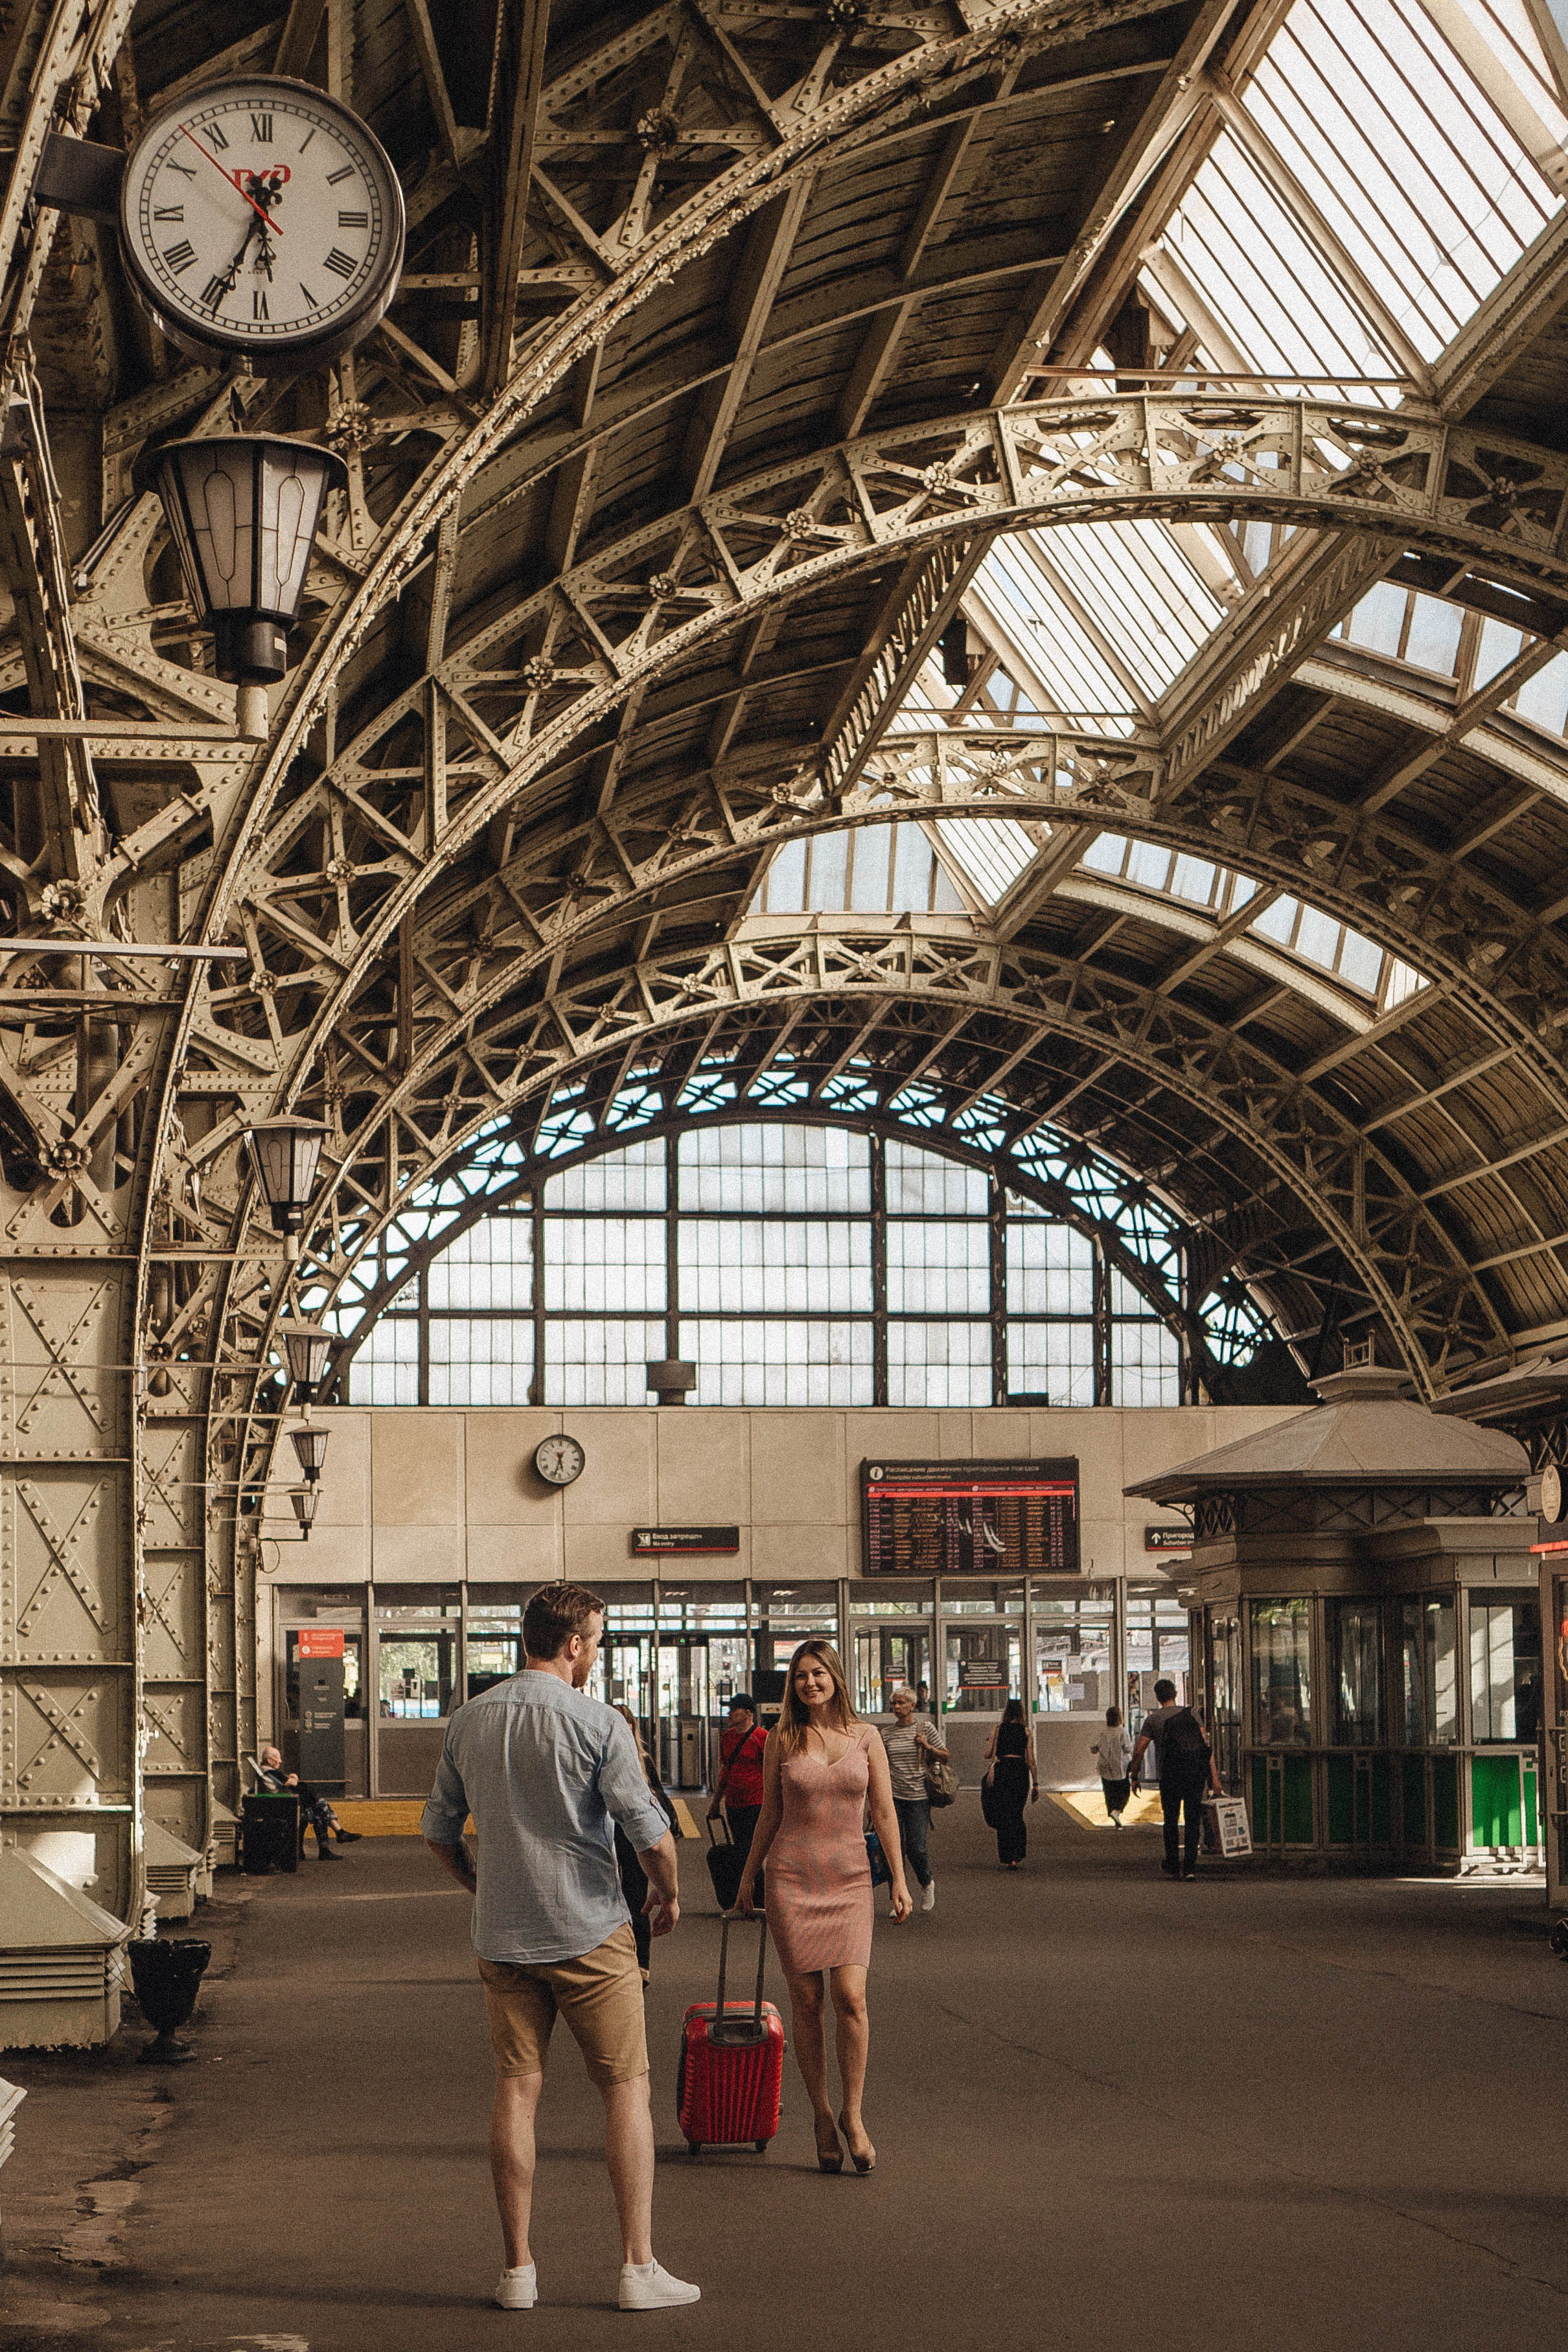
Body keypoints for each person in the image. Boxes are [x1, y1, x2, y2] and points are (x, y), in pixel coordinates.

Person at [422, 1582, 699, 2314]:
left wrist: (480, 1887)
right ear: (574, 1643)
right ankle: (636, 2269)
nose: (594, 1656)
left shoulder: (468, 1720)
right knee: (625, 2090)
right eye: (596, 1644)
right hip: (587, 1931)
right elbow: (651, 1834)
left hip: (502, 1935)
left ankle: (517, 2271)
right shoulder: (598, 1722)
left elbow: (438, 1830)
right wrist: (665, 1896)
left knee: (517, 2089)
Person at [736, 1639, 910, 2175]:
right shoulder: (782, 1739)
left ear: (835, 1676)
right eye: (801, 1676)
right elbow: (768, 1815)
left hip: (851, 1880)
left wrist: (899, 1881)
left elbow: (884, 1812)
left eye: (818, 1673)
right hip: (791, 1879)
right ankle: (820, 2114)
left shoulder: (867, 1737)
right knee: (807, 2002)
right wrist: (747, 1881)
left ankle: (853, 2115)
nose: (810, 1683)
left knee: (850, 1997)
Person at [1129, 1676, 1222, 1880]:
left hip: (1170, 1775)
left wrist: (1134, 1776)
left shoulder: (1153, 1720)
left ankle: (1172, 1863)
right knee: (1192, 1819)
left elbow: (1138, 1751)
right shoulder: (1192, 1714)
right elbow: (1207, 1747)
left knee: (1170, 1820)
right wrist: (1214, 1779)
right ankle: (1189, 1868)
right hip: (1194, 1774)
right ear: (1176, 1694)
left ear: (1157, 1697)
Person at [613, 1706, 676, 1984]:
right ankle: (616, 1961)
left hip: (634, 1837)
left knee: (636, 1898)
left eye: (628, 1724)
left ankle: (641, 1967)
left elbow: (660, 1795)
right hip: (610, 1834)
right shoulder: (602, 1757)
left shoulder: (643, 1760)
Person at [877, 1684, 948, 1913]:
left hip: (918, 1797)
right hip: (892, 1797)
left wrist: (927, 1746)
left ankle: (927, 1883)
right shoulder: (886, 1734)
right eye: (893, 1704)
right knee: (892, 1848)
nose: (896, 1707)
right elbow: (880, 1768)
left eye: (901, 1703)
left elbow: (945, 1756)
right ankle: (896, 1899)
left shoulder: (925, 1728)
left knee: (916, 1847)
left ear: (913, 1706)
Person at [255, 1746, 360, 1859]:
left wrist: (292, 1779)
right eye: (277, 1759)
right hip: (283, 1806)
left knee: (317, 1810)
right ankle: (334, 1838)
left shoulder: (267, 1771)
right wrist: (294, 1777)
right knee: (319, 1808)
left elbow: (285, 1781)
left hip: (280, 1804)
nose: (280, 1761)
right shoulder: (271, 1771)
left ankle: (335, 1837)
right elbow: (292, 1783)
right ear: (270, 1760)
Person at [705, 1692, 766, 1860]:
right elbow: (725, 1771)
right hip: (733, 1803)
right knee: (740, 1846)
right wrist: (716, 1802)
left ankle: (752, 1883)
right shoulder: (727, 1737)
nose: (729, 1714)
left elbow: (772, 1772)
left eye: (734, 1710)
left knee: (750, 1849)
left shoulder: (762, 1737)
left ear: (748, 1713)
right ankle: (743, 1883)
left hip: (755, 1802)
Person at [983, 1698, 1037, 1868]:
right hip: (1020, 1772)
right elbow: (1031, 1760)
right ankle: (1018, 1853)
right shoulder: (1026, 1732)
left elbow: (987, 1754)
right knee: (1017, 1813)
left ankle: (1008, 1856)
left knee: (1004, 1814)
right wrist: (1036, 1784)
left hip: (1003, 1771)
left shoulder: (998, 1730)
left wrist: (991, 1743)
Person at [1092, 1706, 1134, 1827]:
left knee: (1109, 1792)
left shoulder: (1104, 1731)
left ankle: (1113, 1812)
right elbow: (1127, 1748)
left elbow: (1094, 1747)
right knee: (1124, 1791)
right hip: (1119, 1766)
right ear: (1120, 1717)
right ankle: (1118, 1810)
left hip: (1104, 1766)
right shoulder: (1122, 1731)